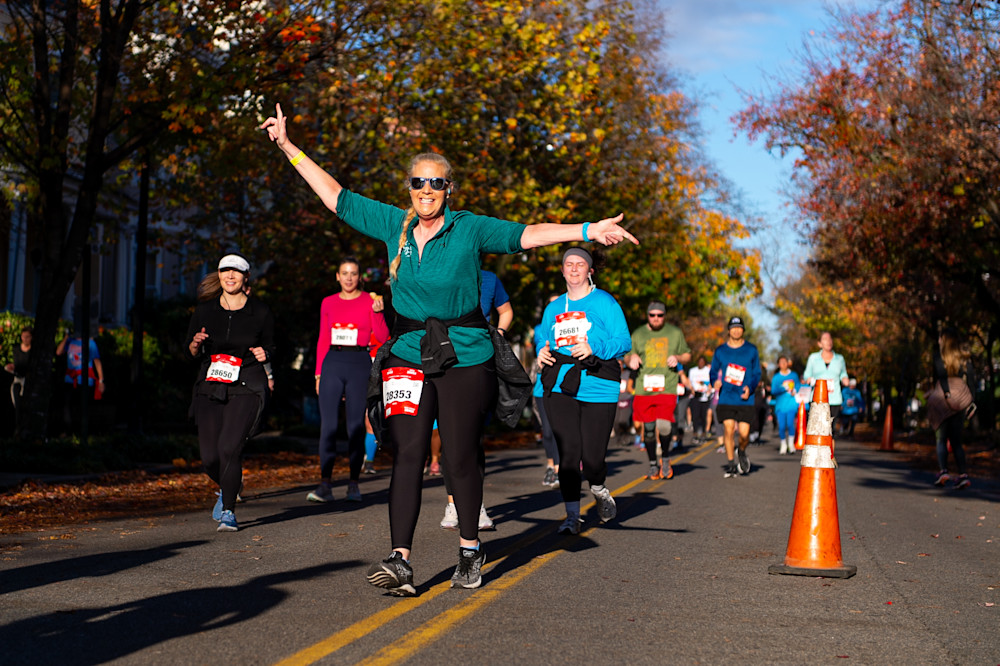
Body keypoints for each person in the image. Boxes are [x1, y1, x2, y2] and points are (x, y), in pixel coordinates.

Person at [261, 103, 637, 594]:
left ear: (448, 189)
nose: (426, 191)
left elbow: (528, 234)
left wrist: (588, 231)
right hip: (408, 351)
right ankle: (400, 560)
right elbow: (336, 197)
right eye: (418, 182)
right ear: (410, 188)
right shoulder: (393, 224)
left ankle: (468, 549)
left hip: (466, 353)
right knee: (410, 451)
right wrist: (289, 147)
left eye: (436, 183)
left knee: (459, 455)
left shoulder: (468, 227)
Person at [537, 248, 631, 534]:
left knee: (592, 458)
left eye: (580, 264)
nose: (574, 269)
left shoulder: (604, 302)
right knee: (568, 453)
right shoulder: (554, 308)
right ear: (563, 271)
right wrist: (541, 350)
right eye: (569, 264)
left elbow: (623, 341)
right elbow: (542, 335)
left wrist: (595, 348)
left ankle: (599, 488)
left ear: (590, 270)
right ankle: (571, 515)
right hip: (560, 384)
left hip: (598, 382)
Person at [186, 253, 275, 532]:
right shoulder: (204, 311)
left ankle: (228, 511)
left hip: (246, 385)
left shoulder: (260, 312)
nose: (230, 275)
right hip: (210, 386)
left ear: (245, 277)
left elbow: (275, 346)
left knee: (229, 448)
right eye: (225, 270)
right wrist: (195, 345)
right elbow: (188, 351)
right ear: (219, 274)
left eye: (236, 271)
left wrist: (266, 353)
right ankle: (229, 484)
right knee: (210, 458)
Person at [307, 257, 389, 504]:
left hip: (359, 364)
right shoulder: (328, 302)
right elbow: (323, 338)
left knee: (354, 427)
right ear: (337, 276)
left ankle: (354, 483)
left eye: (354, 273)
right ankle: (325, 484)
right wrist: (319, 373)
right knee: (328, 427)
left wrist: (378, 313)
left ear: (360, 276)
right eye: (345, 273)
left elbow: (383, 337)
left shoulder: (370, 301)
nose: (349, 278)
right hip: (333, 362)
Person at [438, 269, 512, 529]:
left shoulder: (489, 279)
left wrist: (499, 333)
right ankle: (452, 504)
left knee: (472, 437)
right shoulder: (443, 270)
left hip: (480, 361)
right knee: (449, 437)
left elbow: (506, 310)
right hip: (445, 362)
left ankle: (475, 505)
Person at [624, 301, 691, 480]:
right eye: (652, 315)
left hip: (666, 387)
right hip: (644, 389)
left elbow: (687, 354)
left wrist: (677, 357)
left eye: (659, 315)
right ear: (647, 316)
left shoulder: (674, 333)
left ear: (664, 316)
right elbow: (626, 355)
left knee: (664, 425)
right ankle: (653, 463)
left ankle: (666, 458)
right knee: (649, 428)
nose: (656, 318)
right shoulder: (638, 334)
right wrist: (631, 358)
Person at [709, 316, 761, 477]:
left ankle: (742, 451)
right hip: (726, 397)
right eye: (733, 327)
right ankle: (731, 464)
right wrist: (714, 382)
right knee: (729, 429)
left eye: (739, 327)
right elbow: (713, 371)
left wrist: (750, 387)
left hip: (745, 398)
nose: (736, 330)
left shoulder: (751, 350)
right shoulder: (720, 351)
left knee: (744, 434)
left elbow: (757, 373)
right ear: (729, 330)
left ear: (743, 330)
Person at [931, 328, 975, 489]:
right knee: (957, 441)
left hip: (942, 400)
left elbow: (940, 376)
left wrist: (946, 393)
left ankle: (943, 471)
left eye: (940, 338)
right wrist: (972, 401)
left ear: (945, 340)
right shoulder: (964, 359)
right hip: (960, 401)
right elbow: (971, 380)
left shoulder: (938, 357)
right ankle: (963, 474)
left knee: (941, 438)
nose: (939, 341)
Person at [55, 327, 105, 433]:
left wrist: (101, 380)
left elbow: (97, 361)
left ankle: (82, 431)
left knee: (82, 406)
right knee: (68, 405)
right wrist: (66, 338)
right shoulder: (69, 342)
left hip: (85, 380)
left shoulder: (90, 343)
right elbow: (58, 352)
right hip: (70, 379)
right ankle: (68, 430)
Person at [802, 331, 849, 427]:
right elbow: (807, 375)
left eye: (830, 339)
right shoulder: (813, 358)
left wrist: (845, 378)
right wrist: (809, 379)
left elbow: (843, 373)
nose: (828, 341)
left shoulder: (839, 359)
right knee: (818, 429)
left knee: (831, 431)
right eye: (825, 339)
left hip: (834, 399)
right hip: (818, 399)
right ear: (819, 343)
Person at [770, 355, 800, 455]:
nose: (783, 364)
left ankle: (791, 444)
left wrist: (795, 390)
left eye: (785, 362)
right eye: (781, 362)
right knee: (782, 426)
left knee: (790, 424)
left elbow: (799, 386)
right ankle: (783, 444)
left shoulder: (794, 375)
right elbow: (773, 390)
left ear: (788, 363)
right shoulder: (776, 377)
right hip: (780, 406)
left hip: (791, 404)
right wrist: (784, 388)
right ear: (778, 364)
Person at [5, 326, 31, 415]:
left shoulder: (33, 351)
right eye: (23, 336)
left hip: (28, 380)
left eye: (27, 337)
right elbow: (17, 364)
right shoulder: (16, 349)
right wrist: (12, 367)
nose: (25, 339)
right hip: (17, 378)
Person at [687, 356, 713, 444]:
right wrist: (691, 389)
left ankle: (703, 434)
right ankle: (695, 435)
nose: (701, 363)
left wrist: (709, 389)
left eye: (703, 361)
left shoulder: (708, 370)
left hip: (705, 397)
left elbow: (711, 382)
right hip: (695, 396)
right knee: (695, 416)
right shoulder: (692, 371)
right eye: (699, 361)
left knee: (703, 416)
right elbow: (689, 382)